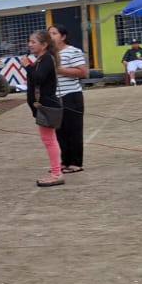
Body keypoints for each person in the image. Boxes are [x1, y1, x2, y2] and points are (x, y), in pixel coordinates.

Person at [25, 30, 65, 188]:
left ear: (44, 45)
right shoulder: (42, 59)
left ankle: (56, 174)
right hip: (43, 106)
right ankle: (56, 171)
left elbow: (38, 78)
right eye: (29, 41)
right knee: (49, 139)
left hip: (47, 106)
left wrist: (27, 66)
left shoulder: (47, 59)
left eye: (33, 42)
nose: (30, 45)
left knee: (49, 140)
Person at [47, 23, 88, 174]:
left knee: (74, 131)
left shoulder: (73, 51)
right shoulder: (49, 54)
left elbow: (83, 72)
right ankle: (64, 162)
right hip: (55, 98)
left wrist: (59, 70)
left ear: (63, 36)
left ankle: (76, 163)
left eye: (54, 33)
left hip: (71, 96)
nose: (50, 36)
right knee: (60, 132)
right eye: (49, 34)